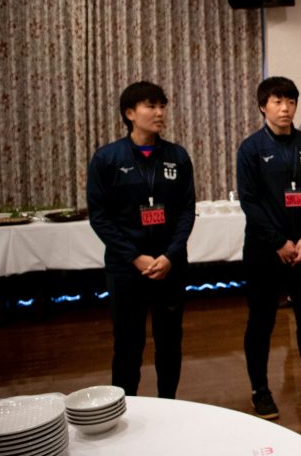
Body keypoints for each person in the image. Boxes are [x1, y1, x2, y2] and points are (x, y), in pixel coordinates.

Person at [236, 76, 301, 420]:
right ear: (263, 106)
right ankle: (260, 389)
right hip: (265, 250)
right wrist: (278, 241)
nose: (285, 108)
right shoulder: (251, 149)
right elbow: (250, 202)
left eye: (291, 102)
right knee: (262, 320)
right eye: (277, 101)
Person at [87, 81, 196, 399]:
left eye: (162, 106)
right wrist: (135, 257)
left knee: (170, 342)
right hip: (126, 269)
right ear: (130, 113)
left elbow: (186, 212)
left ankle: (169, 404)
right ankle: (126, 407)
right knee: (127, 344)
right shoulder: (107, 158)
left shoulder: (177, 156)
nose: (159, 113)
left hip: (169, 265)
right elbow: (100, 217)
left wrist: (170, 255)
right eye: (151, 106)